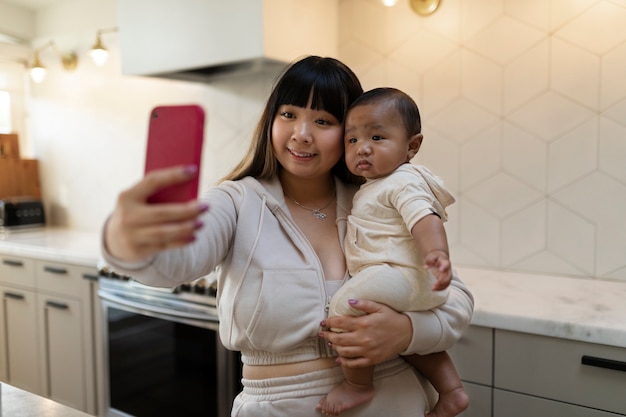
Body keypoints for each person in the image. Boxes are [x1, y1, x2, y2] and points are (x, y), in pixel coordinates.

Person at [100, 56, 474, 417]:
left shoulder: (375, 200)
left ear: (348, 133)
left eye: (324, 121)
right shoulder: (237, 201)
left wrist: (407, 331)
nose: (302, 134)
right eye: (289, 114)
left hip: (397, 400)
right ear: (271, 120)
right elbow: (172, 266)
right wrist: (125, 239)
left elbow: (451, 296)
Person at [317, 87, 469, 417]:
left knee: (343, 307)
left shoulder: (402, 181)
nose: (363, 149)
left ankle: (357, 384)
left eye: (376, 137)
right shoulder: (377, 185)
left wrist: (437, 254)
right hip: (406, 281)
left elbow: (424, 219)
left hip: (404, 276)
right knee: (399, 340)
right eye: (352, 140)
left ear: (412, 146)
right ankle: (452, 390)